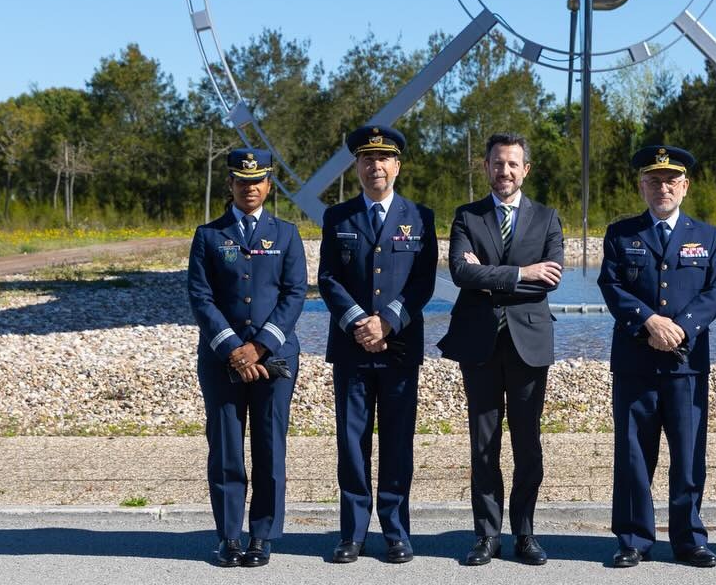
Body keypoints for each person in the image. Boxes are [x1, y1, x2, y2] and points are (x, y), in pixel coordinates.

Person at [598, 145, 716, 569]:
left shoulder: (706, 235)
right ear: (641, 186)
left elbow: (715, 289)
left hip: (686, 363)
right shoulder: (621, 234)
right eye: (653, 181)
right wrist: (650, 322)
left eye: (671, 181)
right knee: (634, 454)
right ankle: (634, 539)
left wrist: (682, 328)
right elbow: (612, 286)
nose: (662, 188)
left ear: (685, 187)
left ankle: (689, 539)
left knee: (689, 455)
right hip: (636, 361)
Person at [438, 132, 565, 566]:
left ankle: (525, 533)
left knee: (528, 444)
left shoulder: (547, 218)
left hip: (529, 343)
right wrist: (519, 273)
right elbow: (459, 272)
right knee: (484, 444)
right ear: (486, 167)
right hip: (480, 344)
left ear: (525, 169)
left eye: (512, 164)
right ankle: (487, 535)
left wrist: (489, 275)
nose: (504, 172)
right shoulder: (467, 217)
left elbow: (551, 277)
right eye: (497, 164)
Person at [318, 125, 437, 564]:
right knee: (352, 443)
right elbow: (327, 278)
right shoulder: (338, 218)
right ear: (357, 166)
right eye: (367, 159)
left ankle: (395, 530)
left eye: (384, 159)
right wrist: (358, 323)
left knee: (397, 442)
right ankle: (352, 533)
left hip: (400, 347)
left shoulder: (420, 216)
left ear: (398, 166)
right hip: (351, 348)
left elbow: (424, 281)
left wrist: (386, 322)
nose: (376, 166)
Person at [187, 148, 307, 568]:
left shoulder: (287, 233)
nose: (250, 187)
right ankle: (229, 536)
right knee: (226, 450)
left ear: (269, 185)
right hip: (223, 360)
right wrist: (233, 349)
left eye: (257, 181)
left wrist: (259, 347)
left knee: (270, 449)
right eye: (242, 180)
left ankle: (262, 535)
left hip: (274, 359)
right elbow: (200, 298)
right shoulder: (208, 235)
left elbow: (296, 294)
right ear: (231, 185)